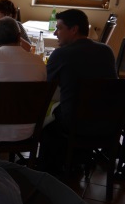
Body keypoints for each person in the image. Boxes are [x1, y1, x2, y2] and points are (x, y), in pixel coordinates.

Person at [39, 9, 116, 170]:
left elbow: (46, 86)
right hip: (109, 121)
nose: (55, 33)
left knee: (45, 120)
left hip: (74, 122)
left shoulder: (61, 54)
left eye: (59, 28)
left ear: (74, 29)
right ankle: (78, 158)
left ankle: (49, 169)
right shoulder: (107, 51)